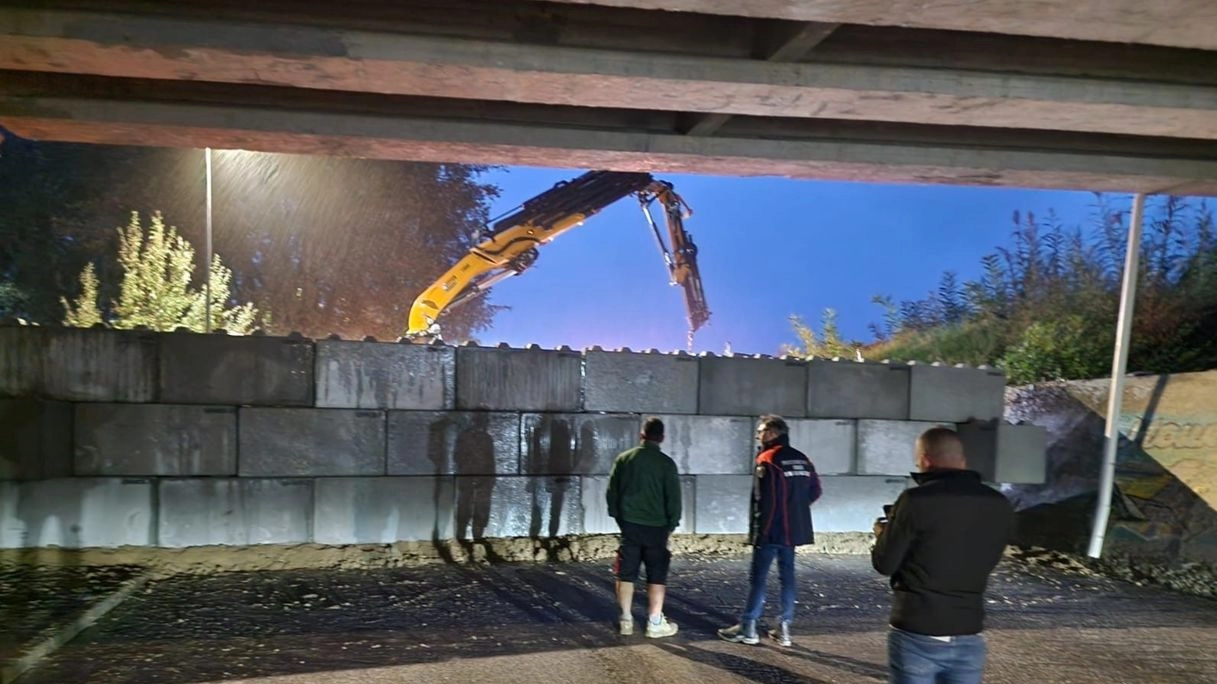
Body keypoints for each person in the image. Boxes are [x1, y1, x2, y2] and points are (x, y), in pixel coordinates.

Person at [872, 427, 1015, 684]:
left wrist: (883, 534)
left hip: (916, 628)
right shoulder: (998, 503)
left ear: (925, 461)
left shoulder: (914, 500)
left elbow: (885, 563)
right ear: (962, 461)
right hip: (968, 629)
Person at [718, 414, 822, 647]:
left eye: (761, 431)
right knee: (788, 578)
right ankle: (784, 628)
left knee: (759, 578)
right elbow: (815, 491)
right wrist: (795, 510)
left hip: (771, 531)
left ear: (773, 433)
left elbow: (765, 500)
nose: (758, 436)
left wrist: (760, 532)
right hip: (792, 532)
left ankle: (748, 627)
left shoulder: (767, 459)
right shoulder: (802, 459)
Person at [606, 416, 682, 638]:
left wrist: (619, 517)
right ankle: (655, 622)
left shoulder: (624, 459)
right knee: (657, 576)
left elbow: (612, 493)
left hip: (629, 525)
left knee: (626, 574)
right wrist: (671, 524)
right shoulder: (667, 464)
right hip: (657, 529)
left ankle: (626, 620)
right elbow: (674, 500)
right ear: (662, 438)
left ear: (642, 435)